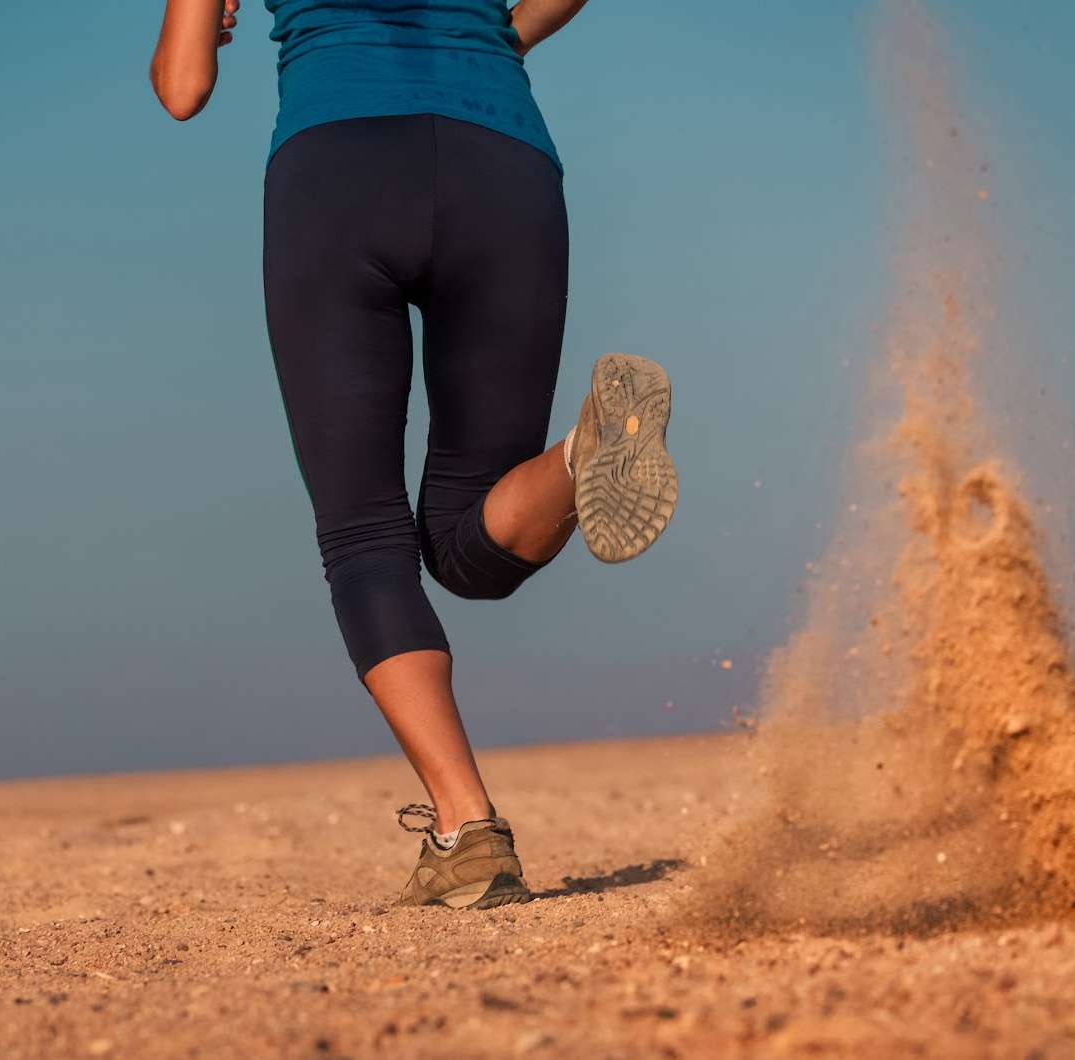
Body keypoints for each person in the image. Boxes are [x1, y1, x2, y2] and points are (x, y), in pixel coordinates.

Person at [149, 0, 678, 909]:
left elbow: (184, 86)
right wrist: (497, 34)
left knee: (364, 535)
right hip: (504, 163)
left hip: (337, 169)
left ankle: (466, 828)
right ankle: (581, 453)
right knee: (471, 544)